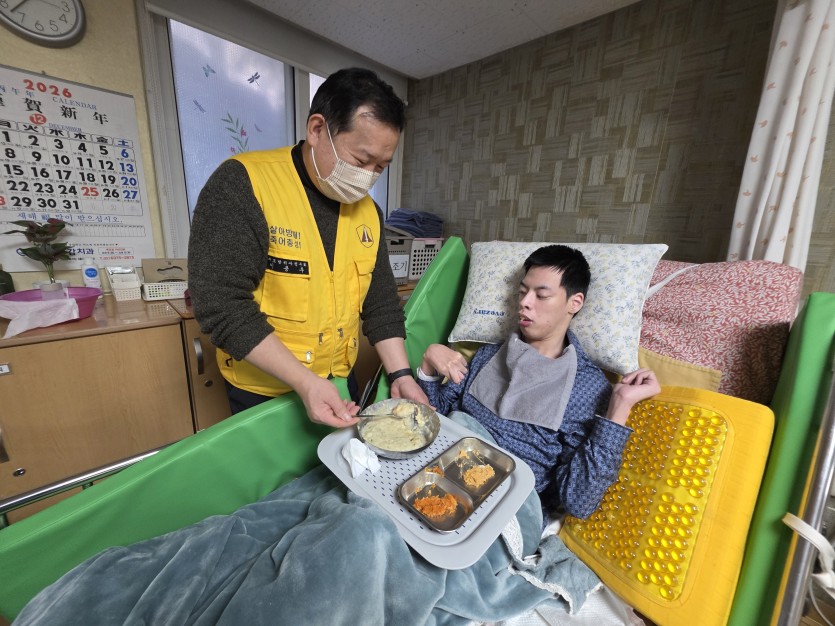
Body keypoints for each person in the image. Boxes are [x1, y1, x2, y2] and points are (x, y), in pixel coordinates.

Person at [188, 68, 428, 428]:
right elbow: (221, 305)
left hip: (337, 382)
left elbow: (380, 303)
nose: (368, 176)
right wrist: (304, 382)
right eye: (361, 161)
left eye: (380, 166)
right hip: (264, 392)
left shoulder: (369, 214)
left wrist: (401, 375)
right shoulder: (244, 184)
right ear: (317, 130)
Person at [417, 244, 660, 519]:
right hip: (437, 477)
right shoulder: (488, 355)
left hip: (506, 510)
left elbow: (579, 502)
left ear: (575, 303)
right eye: (522, 292)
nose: (525, 302)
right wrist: (429, 361)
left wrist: (619, 408)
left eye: (541, 295)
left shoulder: (585, 387)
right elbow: (433, 416)